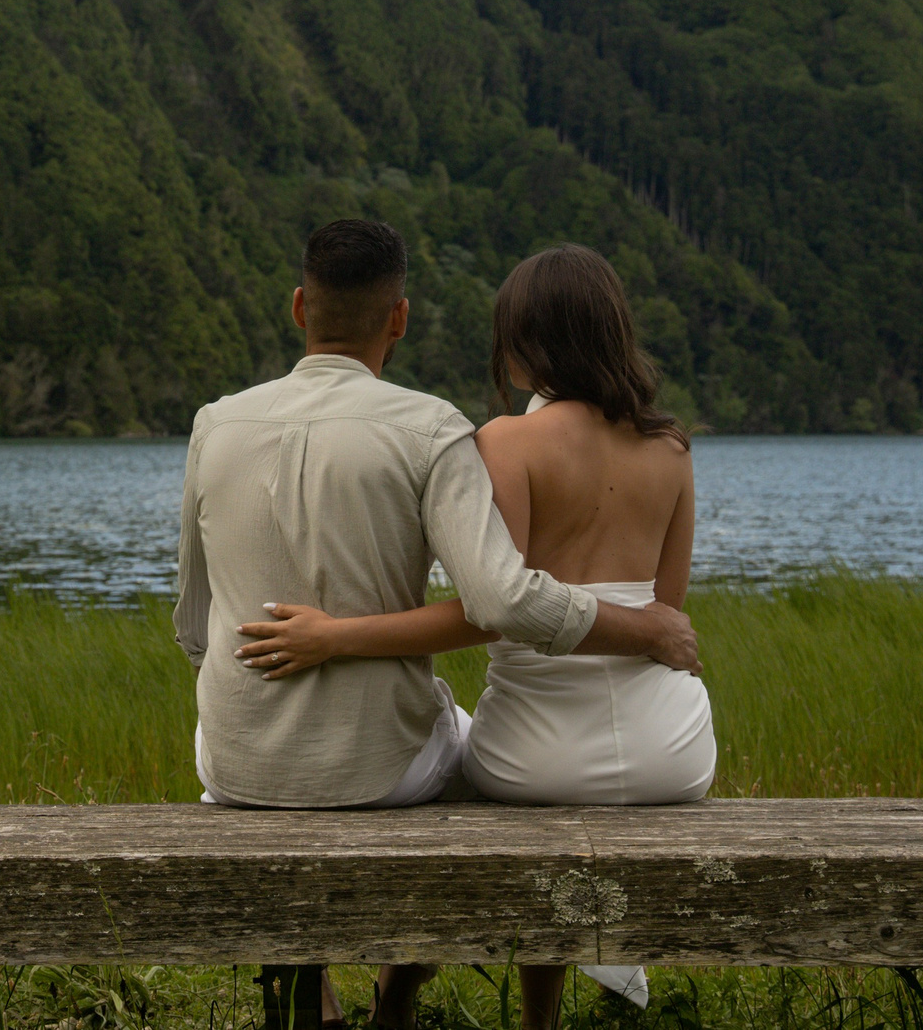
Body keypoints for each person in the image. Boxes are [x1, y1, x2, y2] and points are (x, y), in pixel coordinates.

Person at [176, 223, 702, 1030]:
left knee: (479, 749)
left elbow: (193, 624)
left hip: (234, 764)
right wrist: (647, 630)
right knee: (459, 741)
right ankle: (404, 975)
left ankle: (310, 993)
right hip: (388, 772)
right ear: (400, 316)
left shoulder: (213, 424)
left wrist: (279, 674)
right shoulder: (431, 429)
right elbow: (501, 601)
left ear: (298, 306)